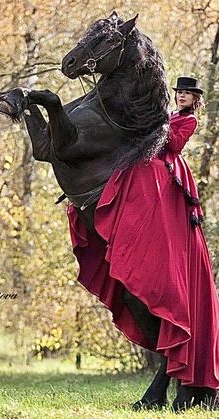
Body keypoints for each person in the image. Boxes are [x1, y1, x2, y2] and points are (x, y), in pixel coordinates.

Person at [67, 76, 219, 410]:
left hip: (169, 170)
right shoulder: (167, 115)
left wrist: (156, 124)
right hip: (152, 162)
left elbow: (173, 145)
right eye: (178, 93)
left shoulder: (187, 120)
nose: (181, 97)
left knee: (145, 167)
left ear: (195, 99)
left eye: (187, 94)